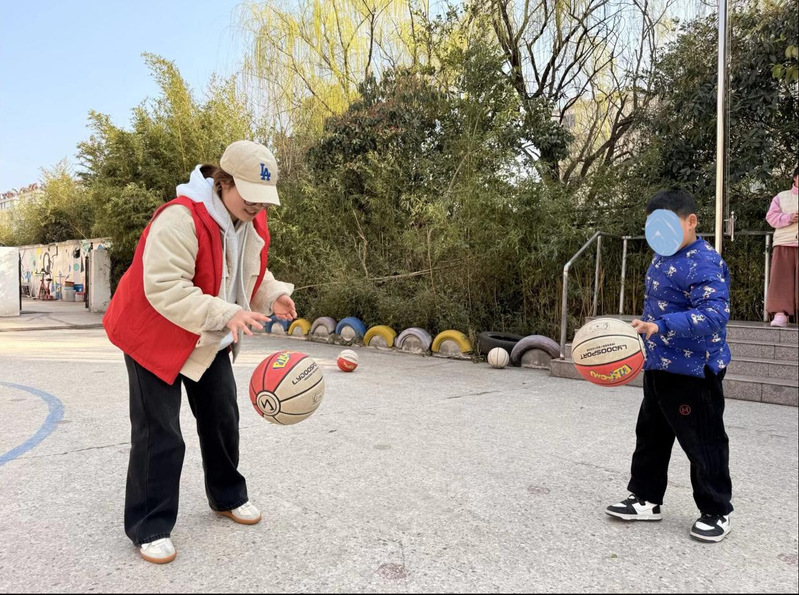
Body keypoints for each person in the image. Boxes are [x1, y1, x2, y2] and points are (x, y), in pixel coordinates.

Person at [103, 140, 297, 564]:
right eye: (249, 195)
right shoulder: (180, 219)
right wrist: (227, 313)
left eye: (263, 198)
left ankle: (227, 496)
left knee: (222, 416)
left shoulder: (249, 221)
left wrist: (273, 294)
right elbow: (164, 288)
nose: (257, 205)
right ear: (223, 182)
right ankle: (149, 525)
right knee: (160, 431)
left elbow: (246, 273)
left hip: (207, 331)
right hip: (152, 332)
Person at [606, 188, 734, 543]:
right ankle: (646, 498)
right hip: (659, 364)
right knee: (651, 434)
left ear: (691, 222)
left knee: (703, 441)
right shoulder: (662, 256)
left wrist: (660, 326)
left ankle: (716, 511)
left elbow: (714, 314)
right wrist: (643, 331)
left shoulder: (704, 262)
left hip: (693, 371)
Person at [765, 166, 799, 327]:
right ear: (795, 178)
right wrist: (790, 217)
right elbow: (771, 218)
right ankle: (780, 314)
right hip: (784, 242)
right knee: (780, 280)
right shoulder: (781, 196)